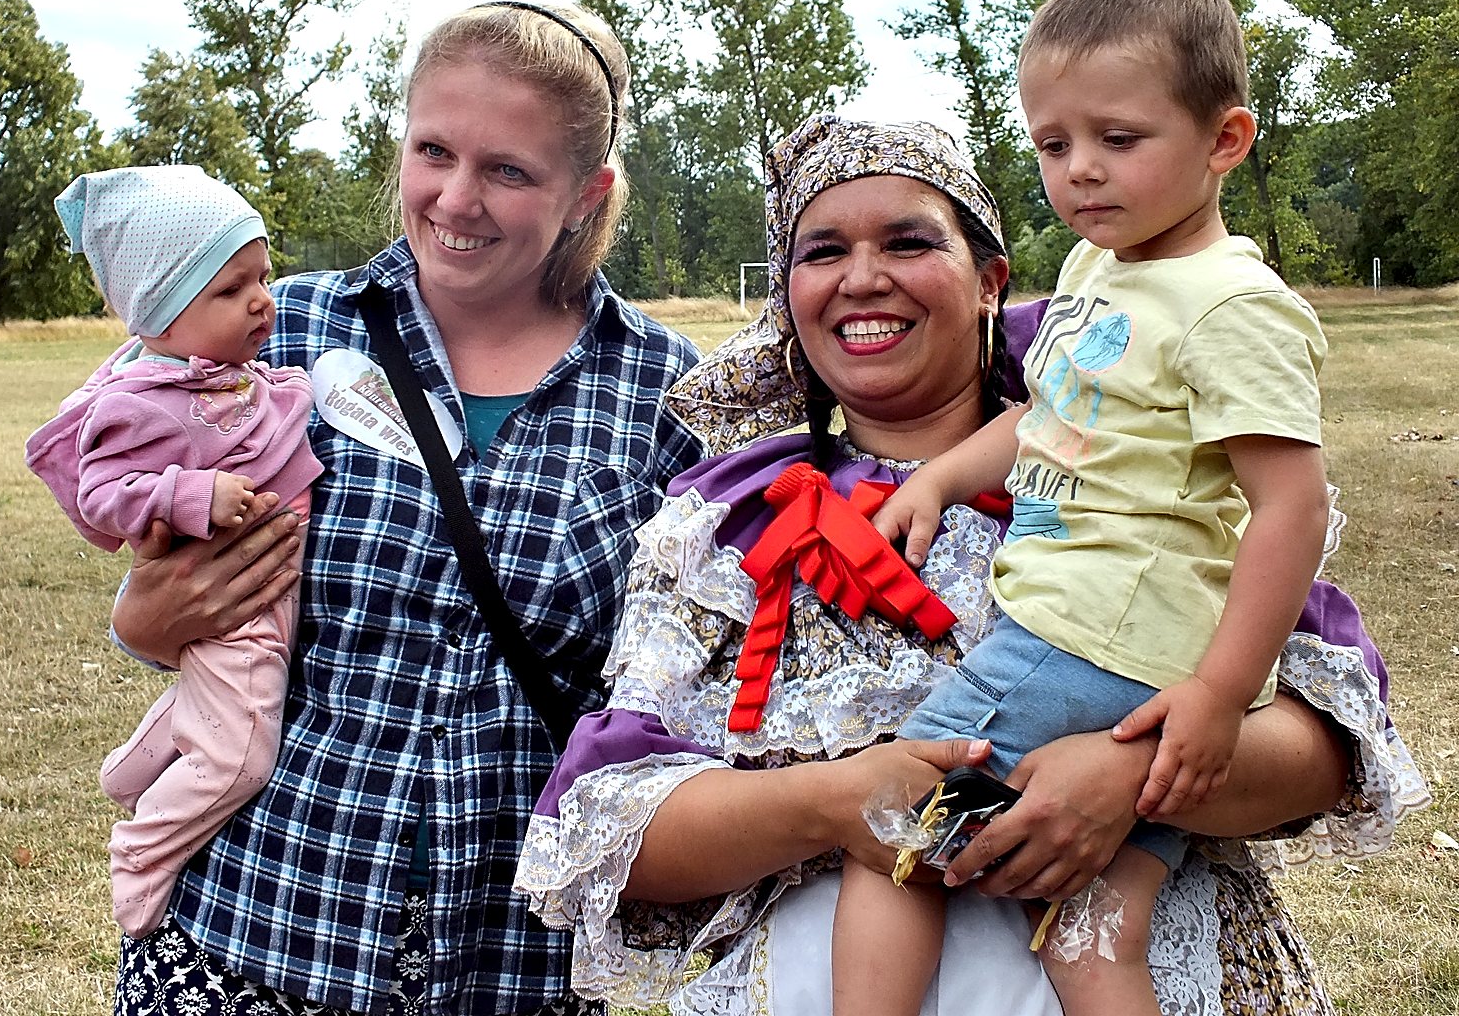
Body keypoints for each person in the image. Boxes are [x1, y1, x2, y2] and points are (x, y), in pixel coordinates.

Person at [513, 111, 1430, 1016]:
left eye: (909, 241)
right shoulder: (729, 521)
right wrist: (831, 803)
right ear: (785, 293)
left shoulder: (1145, 463)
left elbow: (1327, 746)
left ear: (992, 279)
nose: (862, 280)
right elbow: (615, 831)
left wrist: (1131, 779)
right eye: (821, 251)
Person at [105, 2, 703, 1016]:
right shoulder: (278, 328)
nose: (454, 200)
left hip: (512, 963)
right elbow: (117, 473)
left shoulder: (666, 393)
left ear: (584, 194)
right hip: (254, 926)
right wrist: (137, 619)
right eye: (434, 151)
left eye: (507, 171)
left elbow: (690, 670)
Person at [833, 0, 1331, 1015]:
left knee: (890, 831)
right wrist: (940, 480)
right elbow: (1048, 415)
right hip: (1133, 659)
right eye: (1054, 145)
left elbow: (1293, 507)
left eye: (1118, 139)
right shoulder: (1106, 271)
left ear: (1224, 141)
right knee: (1094, 933)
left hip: (1089, 640)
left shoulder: (1228, 303)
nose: (1080, 172)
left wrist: (1215, 694)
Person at [26, 165, 321, 938]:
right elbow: (104, 496)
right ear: (163, 310)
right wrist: (194, 496)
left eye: (264, 275)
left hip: (260, 590)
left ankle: (127, 773)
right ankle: (143, 851)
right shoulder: (140, 402)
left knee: (208, 709)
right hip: (240, 603)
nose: (263, 301)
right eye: (232, 290)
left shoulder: (219, 373)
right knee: (241, 756)